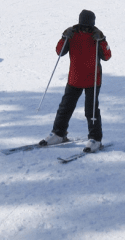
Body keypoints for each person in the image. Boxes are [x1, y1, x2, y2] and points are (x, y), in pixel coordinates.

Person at [39, 10, 112, 153]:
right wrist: (64, 37)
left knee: (91, 110)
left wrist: (102, 40)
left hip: (93, 79)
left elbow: (107, 56)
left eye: (88, 25)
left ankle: (95, 139)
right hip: (75, 78)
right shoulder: (72, 34)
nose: (85, 28)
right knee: (65, 107)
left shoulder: (97, 36)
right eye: (83, 25)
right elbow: (59, 52)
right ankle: (58, 134)